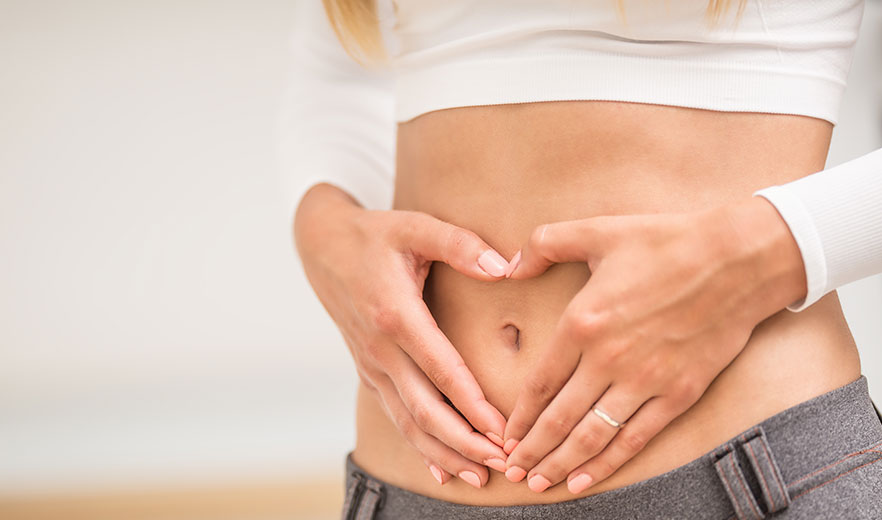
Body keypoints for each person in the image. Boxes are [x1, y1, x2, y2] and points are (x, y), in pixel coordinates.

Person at [282, 0, 882, 518]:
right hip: (409, 492)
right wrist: (326, 232)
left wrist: (768, 250)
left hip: (745, 475)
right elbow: (346, 65)